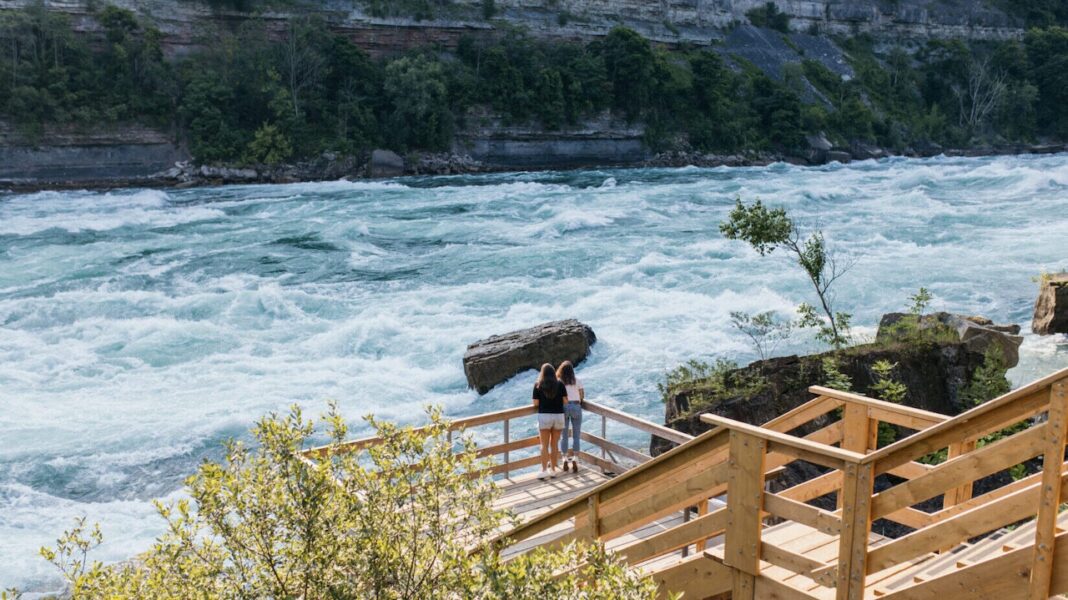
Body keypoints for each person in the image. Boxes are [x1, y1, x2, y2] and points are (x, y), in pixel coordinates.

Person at [532, 363, 568, 479]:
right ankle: (552, 470)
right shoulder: (560, 384)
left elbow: (535, 403)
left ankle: (543, 470)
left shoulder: (538, 385)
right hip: (558, 416)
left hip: (545, 416)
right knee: (554, 444)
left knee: (544, 445)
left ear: (542, 373)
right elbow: (565, 401)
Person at [557, 361, 585, 473]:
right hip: (576, 406)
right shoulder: (577, 380)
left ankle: (564, 458)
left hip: (563, 407)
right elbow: (582, 395)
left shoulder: (559, 382)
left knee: (564, 436)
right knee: (576, 435)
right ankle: (575, 458)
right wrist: (579, 402)